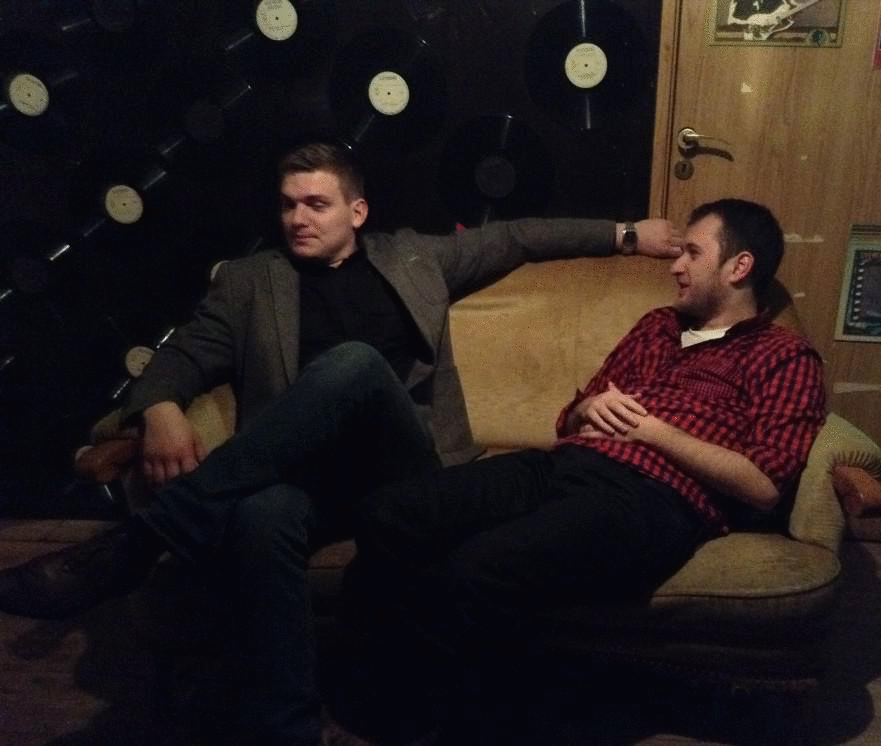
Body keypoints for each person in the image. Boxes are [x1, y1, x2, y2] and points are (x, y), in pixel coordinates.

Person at [0, 142, 682, 746]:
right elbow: (183, 357)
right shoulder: (250, 282)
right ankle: (291, 728)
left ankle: (143, 540)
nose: (298, 218)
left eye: (316, 204)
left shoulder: (416, 257)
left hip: (404, 468)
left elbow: (520, 237)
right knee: (262, 514)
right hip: (303, 473)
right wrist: (159, 408)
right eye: (288, 204)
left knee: (354, 365)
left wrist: (626, 234)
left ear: (357, 212)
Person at [341, 198, 828, 742]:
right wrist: (587, 408)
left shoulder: (783, 356)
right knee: (388, 513)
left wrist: (654, 432)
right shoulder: (657, 326)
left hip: (653, 498)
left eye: (693, 253)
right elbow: (570, 417)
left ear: (739, 266)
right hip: (565, 464)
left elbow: (764, 486)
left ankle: (453, 727)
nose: (676, 265)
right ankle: (372, 707)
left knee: (477, 570)